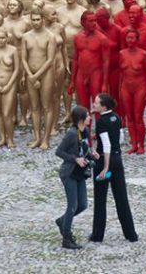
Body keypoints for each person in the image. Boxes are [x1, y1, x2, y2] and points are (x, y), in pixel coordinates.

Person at [88, 93, 138, 244]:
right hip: (118, 159)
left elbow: (106, 144)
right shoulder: (116, 117)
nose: (94, 105)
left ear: (103, 107)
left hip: (106, 159)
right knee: (121, 197)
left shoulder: (102, 121)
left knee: (100, 199)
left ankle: (97, 235)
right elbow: (120, 138)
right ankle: (131, 234)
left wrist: (105, 166)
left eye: (96, 103)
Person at [55, 104, 92, 250]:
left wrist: (91, 154)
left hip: (80, 173)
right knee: (73, 205)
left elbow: (85, 148)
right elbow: (59, 152)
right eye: (87, 116)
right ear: (81, 119)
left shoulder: (86, 131)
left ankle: (62, 221)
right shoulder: (71, 134)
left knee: (82, 204)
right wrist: (75, 159)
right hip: (69, 173)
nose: (90, 118)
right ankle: (66, 237)